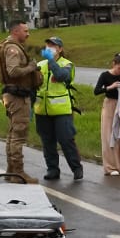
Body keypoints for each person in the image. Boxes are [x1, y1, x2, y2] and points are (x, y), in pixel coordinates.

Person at [0, 20, 43, 183]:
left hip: (13, 95)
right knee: (18, 135)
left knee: (12, 134)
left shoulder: (8, 45)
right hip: (18, 96)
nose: (28, 34)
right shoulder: (13, 48)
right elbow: (13, 70)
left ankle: (11, 171)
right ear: (16, 31)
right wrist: (31, 67)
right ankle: (18, 172)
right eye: (25, 31)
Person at [34, 36, 84, 181]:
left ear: (60, 49)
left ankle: (76, 168)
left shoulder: (67, 64)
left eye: (53, 45)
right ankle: (52, 169)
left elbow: (62, 76)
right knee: (47, 141)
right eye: (48, 45)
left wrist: (51, 61)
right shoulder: (40, 65)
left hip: (61, 110)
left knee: (66, 139)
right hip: (42, 110)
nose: (50, 47)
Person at [95, 52, 120, 176]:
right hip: (109, 105)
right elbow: (96, 91)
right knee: (108, 136)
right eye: (119, 68)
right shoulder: (105, 75)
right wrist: (110, 87)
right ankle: (111, 167)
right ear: (114, 64)